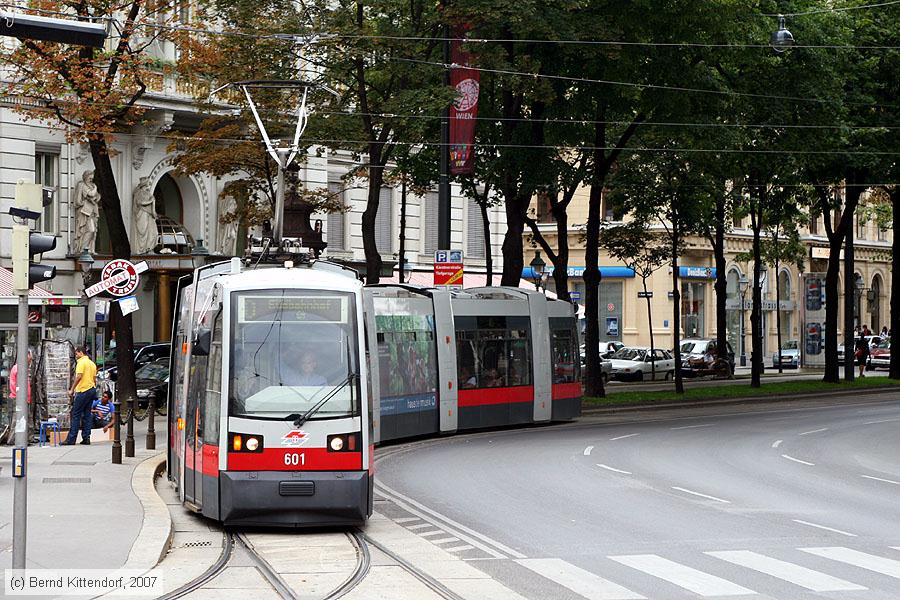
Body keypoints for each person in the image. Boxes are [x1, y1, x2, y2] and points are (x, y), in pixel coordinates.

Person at [62, 347, 98, 445]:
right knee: (87, 414)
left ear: (81, 353)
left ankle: (71, 439)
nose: (76, 356)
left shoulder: (81, 363)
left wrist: (72, 389)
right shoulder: (92, 363)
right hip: (91, 390)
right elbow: (95, 379)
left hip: (83, 390)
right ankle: (86, 438)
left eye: (76, 354)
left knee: (76, 414)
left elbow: (79, 377)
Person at [73, 170, 101, 253]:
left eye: (92, 178)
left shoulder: (90, 185)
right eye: (90, 178)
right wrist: (95, 187)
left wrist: (96, 197)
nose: (91, 179)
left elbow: (97, 196)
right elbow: (91, 194)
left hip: (92, 211)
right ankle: (83, 249)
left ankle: (90, 249)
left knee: (93, 231)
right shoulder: (83, 185)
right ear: (86, 177)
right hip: (85, 212)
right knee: (90, 230)